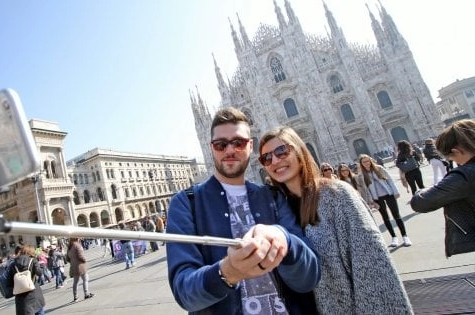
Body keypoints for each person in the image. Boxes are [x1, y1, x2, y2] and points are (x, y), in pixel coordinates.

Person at [166, 107, 320, 314]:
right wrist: (228, 271)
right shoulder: (186, 203)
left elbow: (309, 278)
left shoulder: (273, 197)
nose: (230, 150)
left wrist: (285, 239)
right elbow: (184, 292)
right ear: (211, 148)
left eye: (238, 143)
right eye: (221, 144)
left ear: (251, 146)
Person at [259, 127, 412, 314]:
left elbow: (374, 270)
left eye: (281, 151)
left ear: (299, 151)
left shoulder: (337, 195)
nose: (275, 160)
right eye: (266, 158)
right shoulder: (275, 209)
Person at [411, 119, 475, 257]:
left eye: (451, 158)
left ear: (457, 151)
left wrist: (420, 190)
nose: (454, 162)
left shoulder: (464, 175)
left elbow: (421, 202)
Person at [357, 154, 412, 247]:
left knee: (396, 215)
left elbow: (389, 180)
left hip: (388, 194)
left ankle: (405, 236)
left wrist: (395, 192)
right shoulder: (361, 175)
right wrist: (371, 201)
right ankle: (394, 237)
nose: (366, 163)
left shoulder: (379, 168)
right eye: (364, 162)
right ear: (361, 164)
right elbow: (365, 190)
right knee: (385, 217)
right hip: (377, 198)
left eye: (368, 161)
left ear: (371, 160)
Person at [6, 245, 46, 315]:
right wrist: (41, 266)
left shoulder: (13, 264)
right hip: (34, 292)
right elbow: (39, 273)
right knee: (39, 311)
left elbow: (9, 282)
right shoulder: (33, 260)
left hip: (21, 298)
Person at [66, 237, 94, 302]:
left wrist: (73, 261)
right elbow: (80, 256)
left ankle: (75, 297)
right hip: (80, 265)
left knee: (75, 282)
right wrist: (84, 260)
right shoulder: (77, 245)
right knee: (85, 279)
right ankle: (86, 293)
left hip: (73, 266)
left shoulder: (69, 247)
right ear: (76, 238)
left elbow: (67, 259)